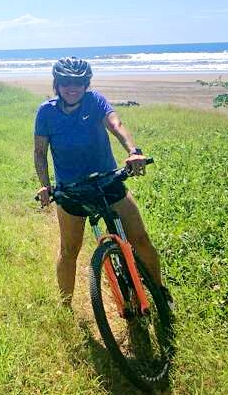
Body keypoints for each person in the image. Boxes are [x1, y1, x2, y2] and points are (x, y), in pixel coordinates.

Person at [33, 56, 170, 308]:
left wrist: (133, 151)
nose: (71, 87)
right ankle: (66, 307)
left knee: (140, 240)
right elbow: (40, 152)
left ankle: (161, 293)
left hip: (108, 181)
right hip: (71, 191)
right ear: (57, 83)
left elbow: (116, 124)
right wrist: (45, 184)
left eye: (78, 82)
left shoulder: (95, 101)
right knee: (69, 251)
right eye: (65, 82)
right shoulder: (46, 112)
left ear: (86, 84)